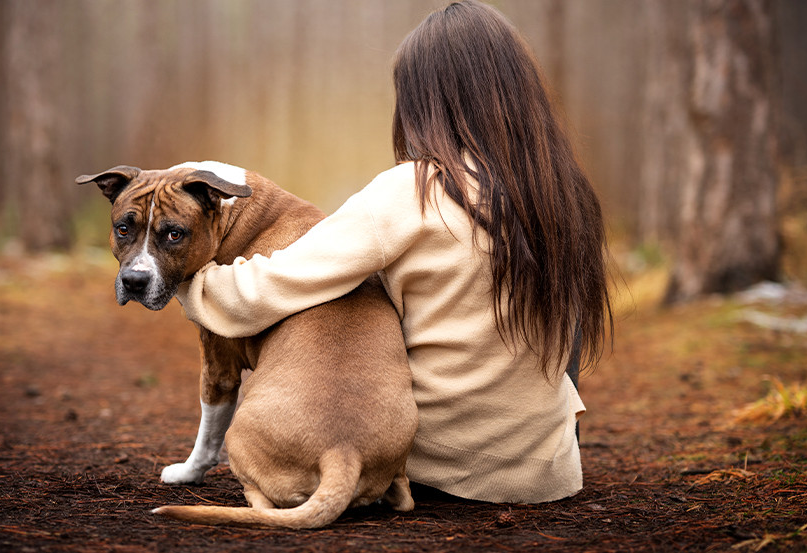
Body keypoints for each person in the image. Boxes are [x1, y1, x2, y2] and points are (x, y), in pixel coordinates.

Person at [175, 0, 613, 504]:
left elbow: (275, 284)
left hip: (440, 467)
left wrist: (187, 275)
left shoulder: (416, 189)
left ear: (423, 100)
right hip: (549, 472)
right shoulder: (564, 193)